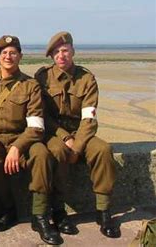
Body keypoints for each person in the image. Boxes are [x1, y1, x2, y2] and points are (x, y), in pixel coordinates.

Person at [0, 35, 63, 245]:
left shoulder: (30, 85)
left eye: (13, 52)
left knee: (41, 154)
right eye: (4, 53)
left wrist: (17, 148)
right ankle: (8, 208)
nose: (8, 56)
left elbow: (36, 126)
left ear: (20, 56)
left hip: (25, 138)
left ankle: (39, 216)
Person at [35, 31, 120, 238]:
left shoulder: (86, 78)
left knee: (103, 150)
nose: (61, 55)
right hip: (54, 132)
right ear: (51, 56)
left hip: (81, 131)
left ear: (73, 51)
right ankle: (59, 210)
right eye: (56, 52)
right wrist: (66, 138)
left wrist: (78, 145)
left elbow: (89, 118)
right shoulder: (42, 77)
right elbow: (43, 116)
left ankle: (103, 210)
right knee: (58, 152)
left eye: (65, 50)